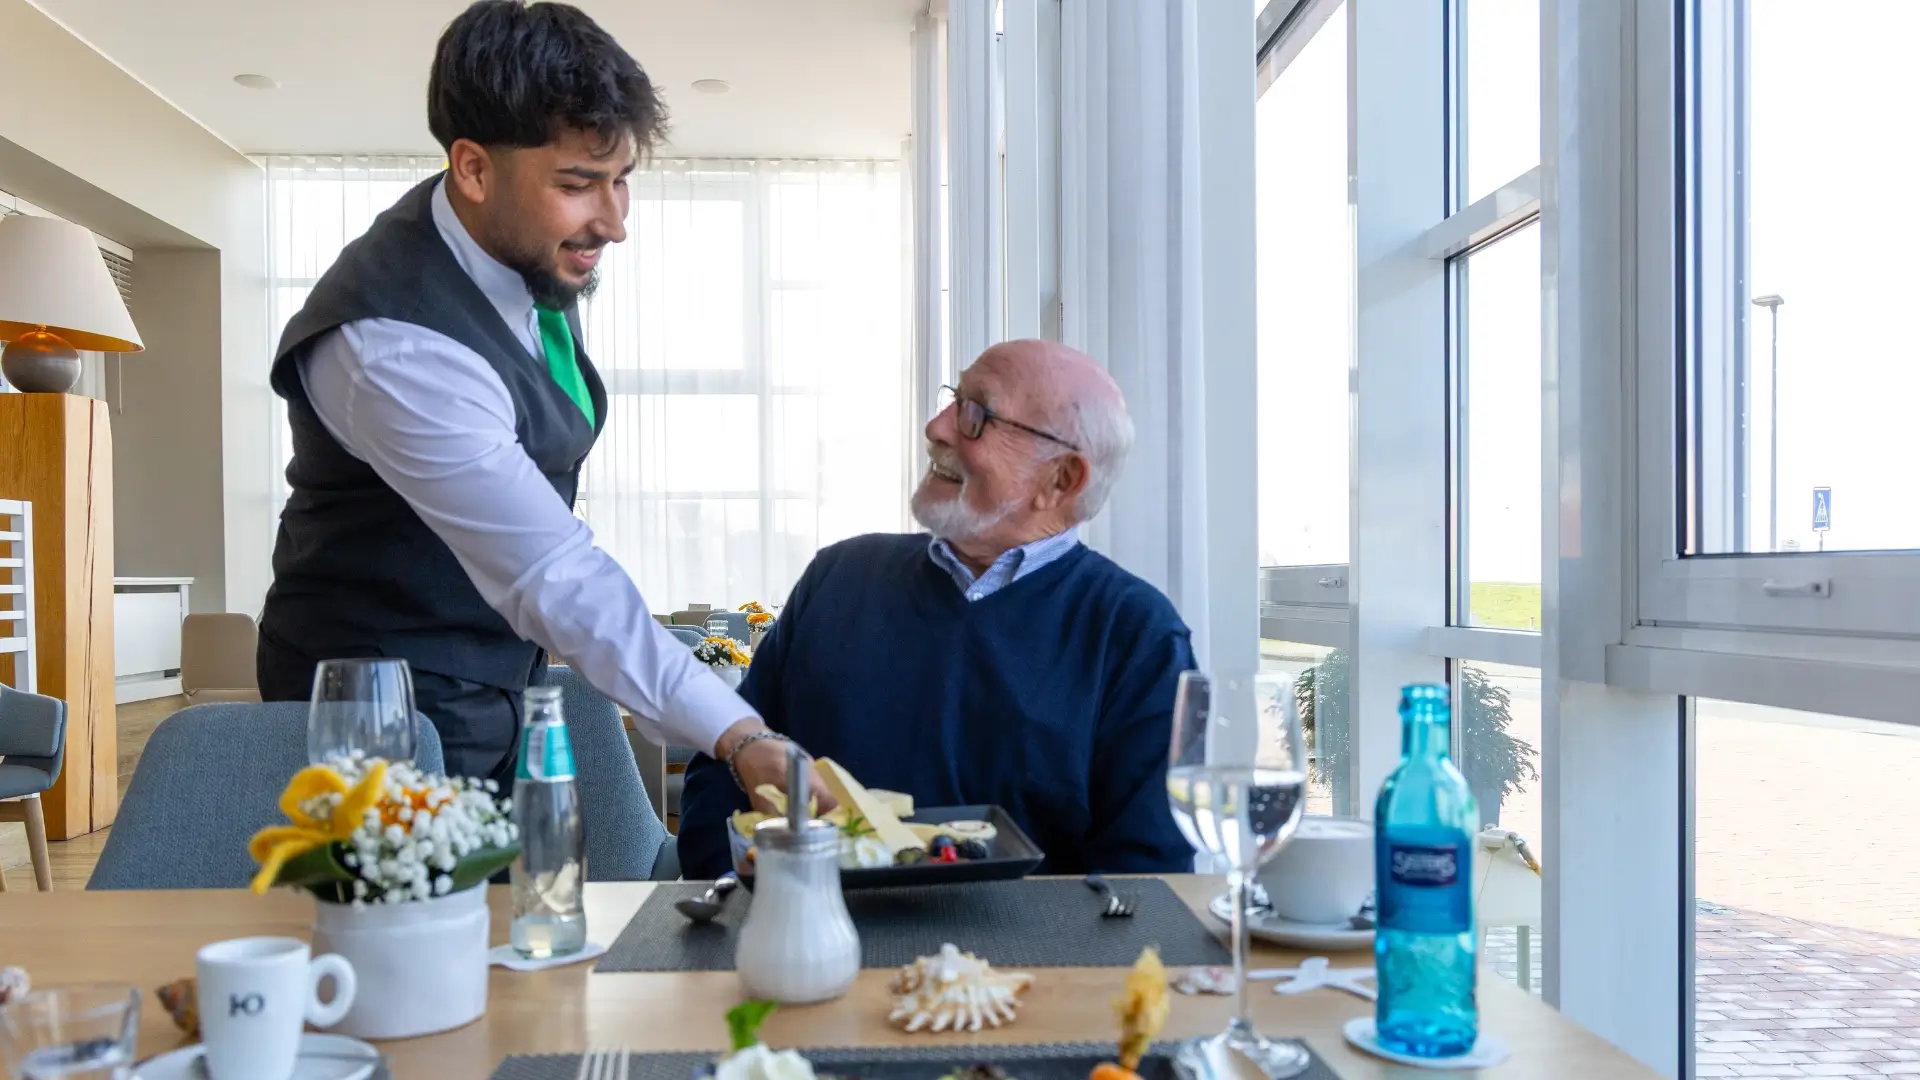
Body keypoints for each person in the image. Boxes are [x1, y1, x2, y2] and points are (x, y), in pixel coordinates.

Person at [256, 0, 826, 813]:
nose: (615, 222)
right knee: (410, 932)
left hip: (493, 671)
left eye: (622, 179)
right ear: (474, 168)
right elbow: (549, 572)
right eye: (578, 184)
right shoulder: (393, 345)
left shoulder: (521, 248)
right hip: (379, 706)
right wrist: (740, 736)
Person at [677, 340, 1195, 879]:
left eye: (977, 415)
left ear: (1061, 478)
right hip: (809, 942)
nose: (937, 427)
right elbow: (725, 770)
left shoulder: (1136, 633)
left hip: (1024, 959)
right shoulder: (838, 578)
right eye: (955, 399)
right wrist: (741, 903)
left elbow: (1146, 874)